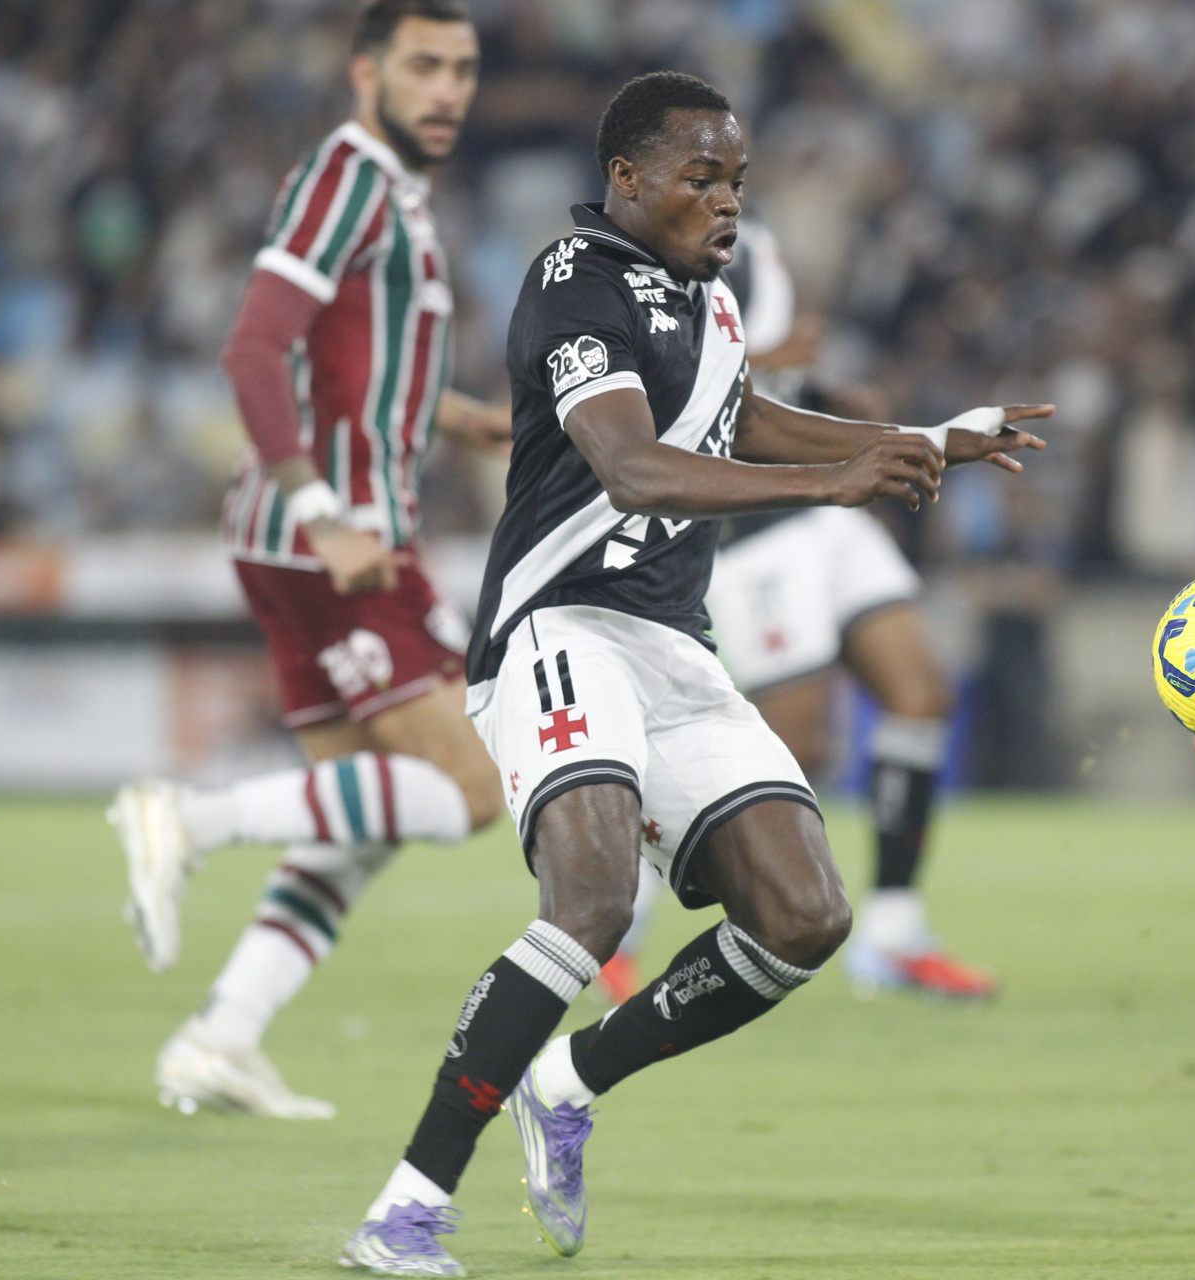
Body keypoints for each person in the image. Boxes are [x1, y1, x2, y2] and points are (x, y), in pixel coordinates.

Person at [337, 71, 1049, 1274]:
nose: (726, 202)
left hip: (671, 642)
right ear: (627, 179)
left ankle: (568, 1078)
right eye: (700, 179)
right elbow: (632, 465)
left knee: (806, 913)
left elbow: (745, 420)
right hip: (556, 630)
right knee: (593, 900)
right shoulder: (576, 284)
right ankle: (404, 1208)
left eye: (737, 182)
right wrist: (835, 482)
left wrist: (922, 440)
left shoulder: (704, 299)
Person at [106, 0, 511, 1120]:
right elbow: (254, 348)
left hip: (331, 537)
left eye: (464, 69)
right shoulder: (351, 174)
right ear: (364, 70)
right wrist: (321, 506)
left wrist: (464, 415)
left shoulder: (397, 193)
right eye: (424, 66)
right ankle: (187, 818)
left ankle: (221, 1036)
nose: (448, 90)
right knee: (473, 787)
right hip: (334, 545)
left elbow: (361, 377)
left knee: (365, 816)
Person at [598, 219, 995, 1003]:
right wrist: (769, 363)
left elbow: (772, 379)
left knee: (923, 695)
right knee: (798, 745)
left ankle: (892, 932)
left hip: (829, 512)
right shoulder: (643, 261)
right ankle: (624, 914)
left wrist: (825, 398)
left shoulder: (757, 242)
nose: (721, 188)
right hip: (754, 530)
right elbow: (664, 384)